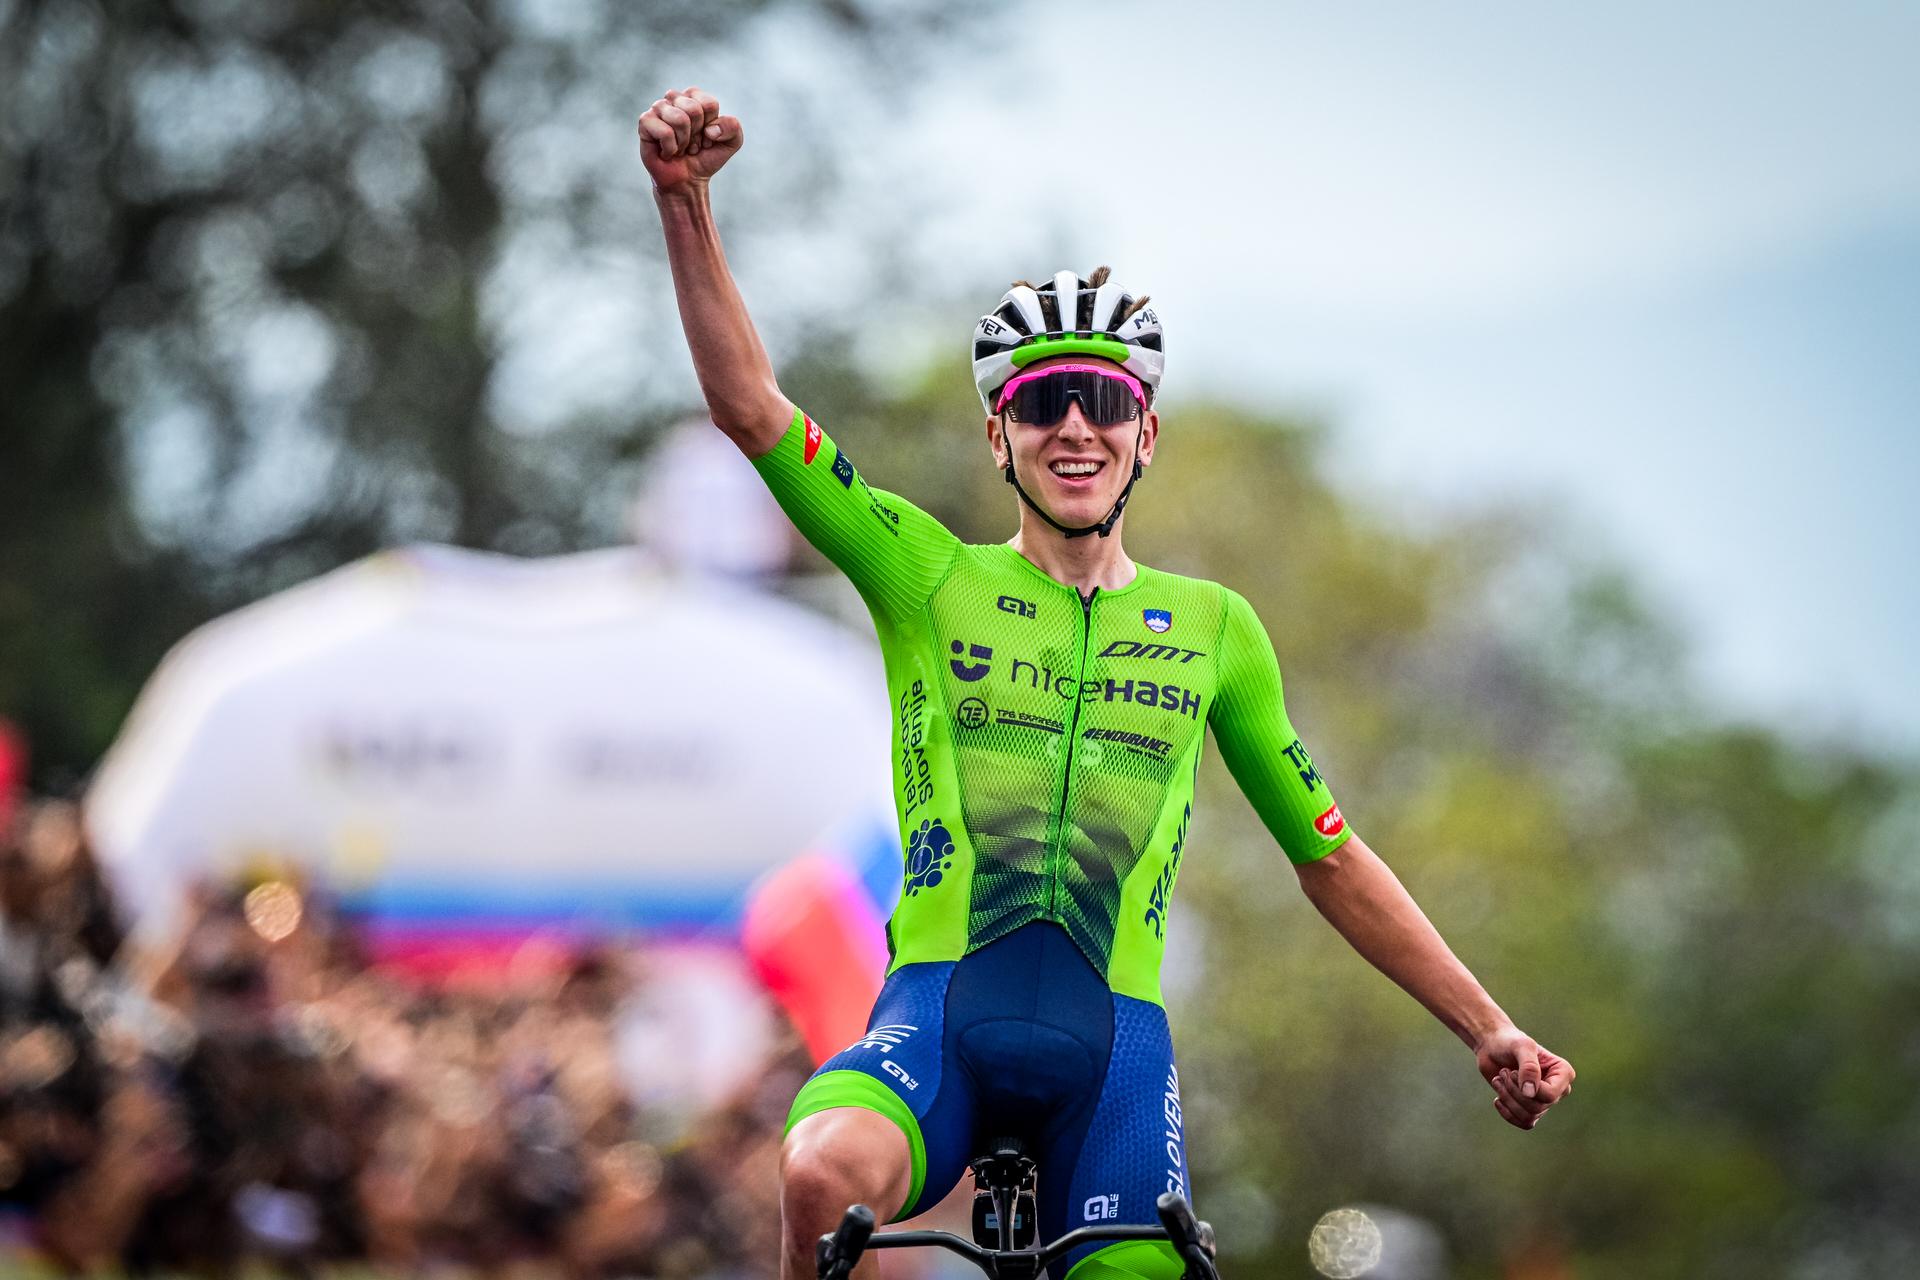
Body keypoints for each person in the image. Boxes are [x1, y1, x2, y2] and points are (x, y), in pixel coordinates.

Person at [638, 86, 1575, 1280]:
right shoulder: (928, 575)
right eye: (1040, 402)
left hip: (1115, 1057)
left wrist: (1488, 1025)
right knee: (820, 1171)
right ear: (999, 436)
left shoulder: (1218, 628)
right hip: (936, 1023)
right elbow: (751, 408)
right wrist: (685, 202)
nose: (1074, 426)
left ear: (1146, 435)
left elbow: (1331, 855)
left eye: (1105, 402)